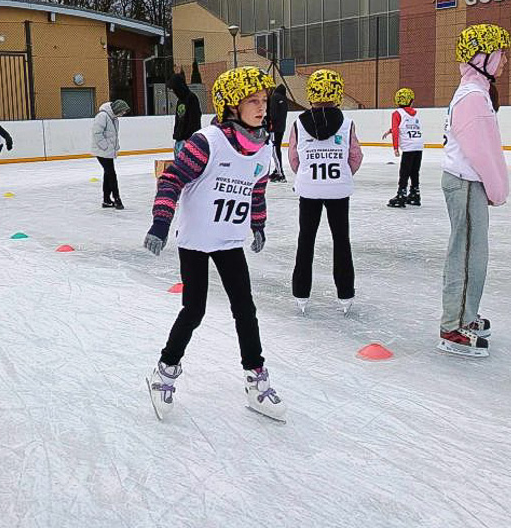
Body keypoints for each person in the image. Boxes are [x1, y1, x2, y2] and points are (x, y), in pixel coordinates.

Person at [143, 66, 285, 422]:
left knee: (245, 309)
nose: (261, 106)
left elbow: (257, 189)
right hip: (196, 240)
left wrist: (258, 224)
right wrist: (161, 223)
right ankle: (164, 371)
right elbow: (171, 179)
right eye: (252, 100)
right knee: (194, 310)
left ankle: (256, 379)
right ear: (231, 105)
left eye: (264, 99)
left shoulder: (263, 148)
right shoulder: (206, 142)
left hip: (229, 240)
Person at [438, 23, 511, 358]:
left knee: (472, 251)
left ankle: (465, 313)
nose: (505, 60)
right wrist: (497, 188)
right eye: (499, 53)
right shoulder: (472, 97)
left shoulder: (475, 92)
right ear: (482, 57)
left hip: (469, 181)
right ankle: (453, 326)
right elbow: (482, 151)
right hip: (467, 181)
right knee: (468, 254)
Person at [289, 69, 363, 316]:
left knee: (305, 240)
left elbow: (293, 157)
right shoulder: (348, 123)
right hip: (339, 190)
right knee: (341, 240)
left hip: (308, 189)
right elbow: (355, 156)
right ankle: (345, 294)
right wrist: (342, 175)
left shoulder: (298, 123)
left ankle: (301, 293)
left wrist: (307, 175)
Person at [383, 88, 425, 207]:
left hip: (408, 147)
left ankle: (401, 194)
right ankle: (415, 194)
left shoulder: (397, 113)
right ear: (411, 101)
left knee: (404, 172)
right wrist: (390, 131)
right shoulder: (415, 113)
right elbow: (407, 127)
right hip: (418, 145)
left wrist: (395, 147)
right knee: (414, 171)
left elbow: (397, 130)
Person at [91, 99, 130, 209]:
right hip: (102, 151)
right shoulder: (102, 116)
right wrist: (106, 147)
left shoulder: (114, 118)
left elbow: (113, 135)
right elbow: (97, 133)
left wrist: (114, 147)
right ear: (117, 110)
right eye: (122, 112)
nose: (123, 114)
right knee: (111, 174)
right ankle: (117, 199)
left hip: (108, 151)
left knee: (108, 174)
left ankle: (107, 200)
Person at [167, 73, 201, 156]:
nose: (174, 92)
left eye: (175, 89)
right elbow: (178, 119)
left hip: (189, 141)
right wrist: (177, 134)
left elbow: (195, 120)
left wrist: (189, 139)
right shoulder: (179, 101)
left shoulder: (192, 98)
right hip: (179, 140)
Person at [267, 84, 289, 182]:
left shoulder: (274, 97)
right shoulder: (284, 99)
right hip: (281, 127)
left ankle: (280, 174)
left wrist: (268, 121)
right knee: (278, 148)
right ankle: (276, 170)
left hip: (274, 128)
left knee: (274, 150)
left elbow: (273, 112)